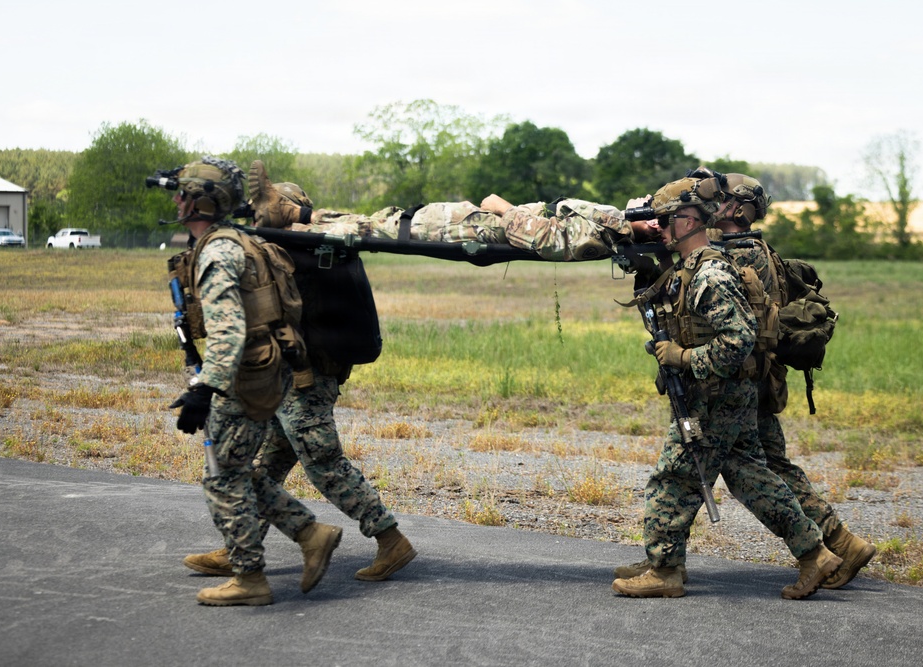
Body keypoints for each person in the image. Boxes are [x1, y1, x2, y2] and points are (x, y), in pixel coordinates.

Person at [178, 163, 417, 588]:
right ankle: (240, 549)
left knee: (323, 462)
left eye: (264, 212)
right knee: (266, 467)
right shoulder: (291, 248)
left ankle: (390, 538)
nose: (256, 220)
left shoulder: (304, 249)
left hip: (309, 376)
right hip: (288, 375)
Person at [610, 176, 842, 600]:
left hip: (715, 395)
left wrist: (683, 358)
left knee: (673, 478)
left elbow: (739, 341)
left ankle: (665, 571)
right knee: (751, 475)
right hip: (724, 394)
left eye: (664, 219)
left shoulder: (710, 273)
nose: (658, 226)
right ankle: (815, 554)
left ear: (688, 221)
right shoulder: (693, 266)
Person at [708, 169, 875, 588]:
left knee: (745, 468)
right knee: (775, 465)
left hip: (746, 378)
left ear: (738, 209)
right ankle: (843, 543)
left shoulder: (739, 255)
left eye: (719, 198)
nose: (711, 204)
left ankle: (820, 550)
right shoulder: (753, 248)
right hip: (761, 376)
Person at [247, 160, 661, 261]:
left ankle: (286, 217)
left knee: (385, 226)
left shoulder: (615, 231)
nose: (646, 206)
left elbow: (545, 239)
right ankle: (288, 215)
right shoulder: (617, 225)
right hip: (475, 223)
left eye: (655, 213)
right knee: (385, 221)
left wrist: (501, 206)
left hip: (480, 228)